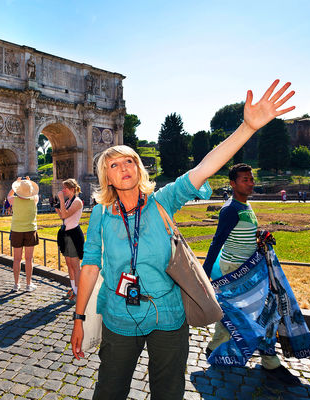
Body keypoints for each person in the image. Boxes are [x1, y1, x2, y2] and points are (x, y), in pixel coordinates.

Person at [71, 80, 296, 399]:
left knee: (169, 392)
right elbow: (91, 266)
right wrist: (79, 318)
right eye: (114, 164)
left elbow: (205, 167)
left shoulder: (163, 201)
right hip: (119, 317)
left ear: (139, 169)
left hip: (168, 316)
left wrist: (247, 127)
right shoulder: (101, 216)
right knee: (108, 391)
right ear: (105, 176)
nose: (124, 168)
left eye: (130, 161)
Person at [202, 163, 301, 385]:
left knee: (235, 312)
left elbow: (243, 233)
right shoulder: (230, 209)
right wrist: (205, 272)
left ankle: (215, 345)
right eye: (245, 179)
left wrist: (260, 237)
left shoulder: (245, 206)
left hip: (248, 270)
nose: (250, 183)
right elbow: (217, 241)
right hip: (234, 271)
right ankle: (270, 362)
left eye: (251, 179)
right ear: (233, 183)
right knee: (262, 314)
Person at [54, 179, 84, 304]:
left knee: (75, 266)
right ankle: (73, 289)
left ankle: (79, 294)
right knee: (69, 264)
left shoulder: (77, 202)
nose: (63, 190)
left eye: (65, 188)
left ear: (71, 189)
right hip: (66, 233)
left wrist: (61, 200)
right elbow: (62, 216)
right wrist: (58, 206)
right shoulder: (68, 201)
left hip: (73, 235)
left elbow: (65, 215)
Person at [7, 176, 39, 292]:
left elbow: (8, 196)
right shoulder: (35, 199)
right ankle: (29, 284)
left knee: (17, 259)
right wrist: (28, 182)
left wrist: (17, 182)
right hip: (30, 230)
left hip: (16, 230)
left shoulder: (13, 200)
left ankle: (16, 284)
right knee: (29, 259)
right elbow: (35, 193)